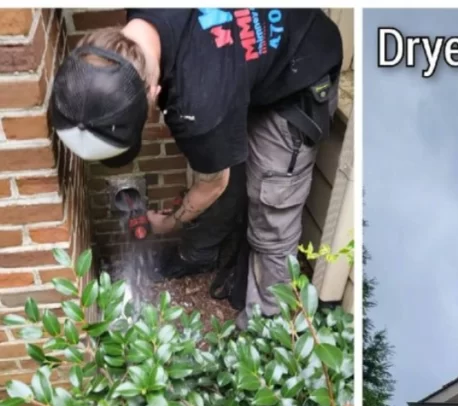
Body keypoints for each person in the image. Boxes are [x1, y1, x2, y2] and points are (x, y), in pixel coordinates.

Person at [50, 9, 343, 324]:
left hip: (299, 66)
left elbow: (213, 185)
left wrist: (169, 223)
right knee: (221, 168)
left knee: (272, 213)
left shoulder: (199, 108)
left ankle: (271, 325)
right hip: (243, 67)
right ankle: (201, 256)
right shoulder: (143, 18)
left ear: (153, 92)